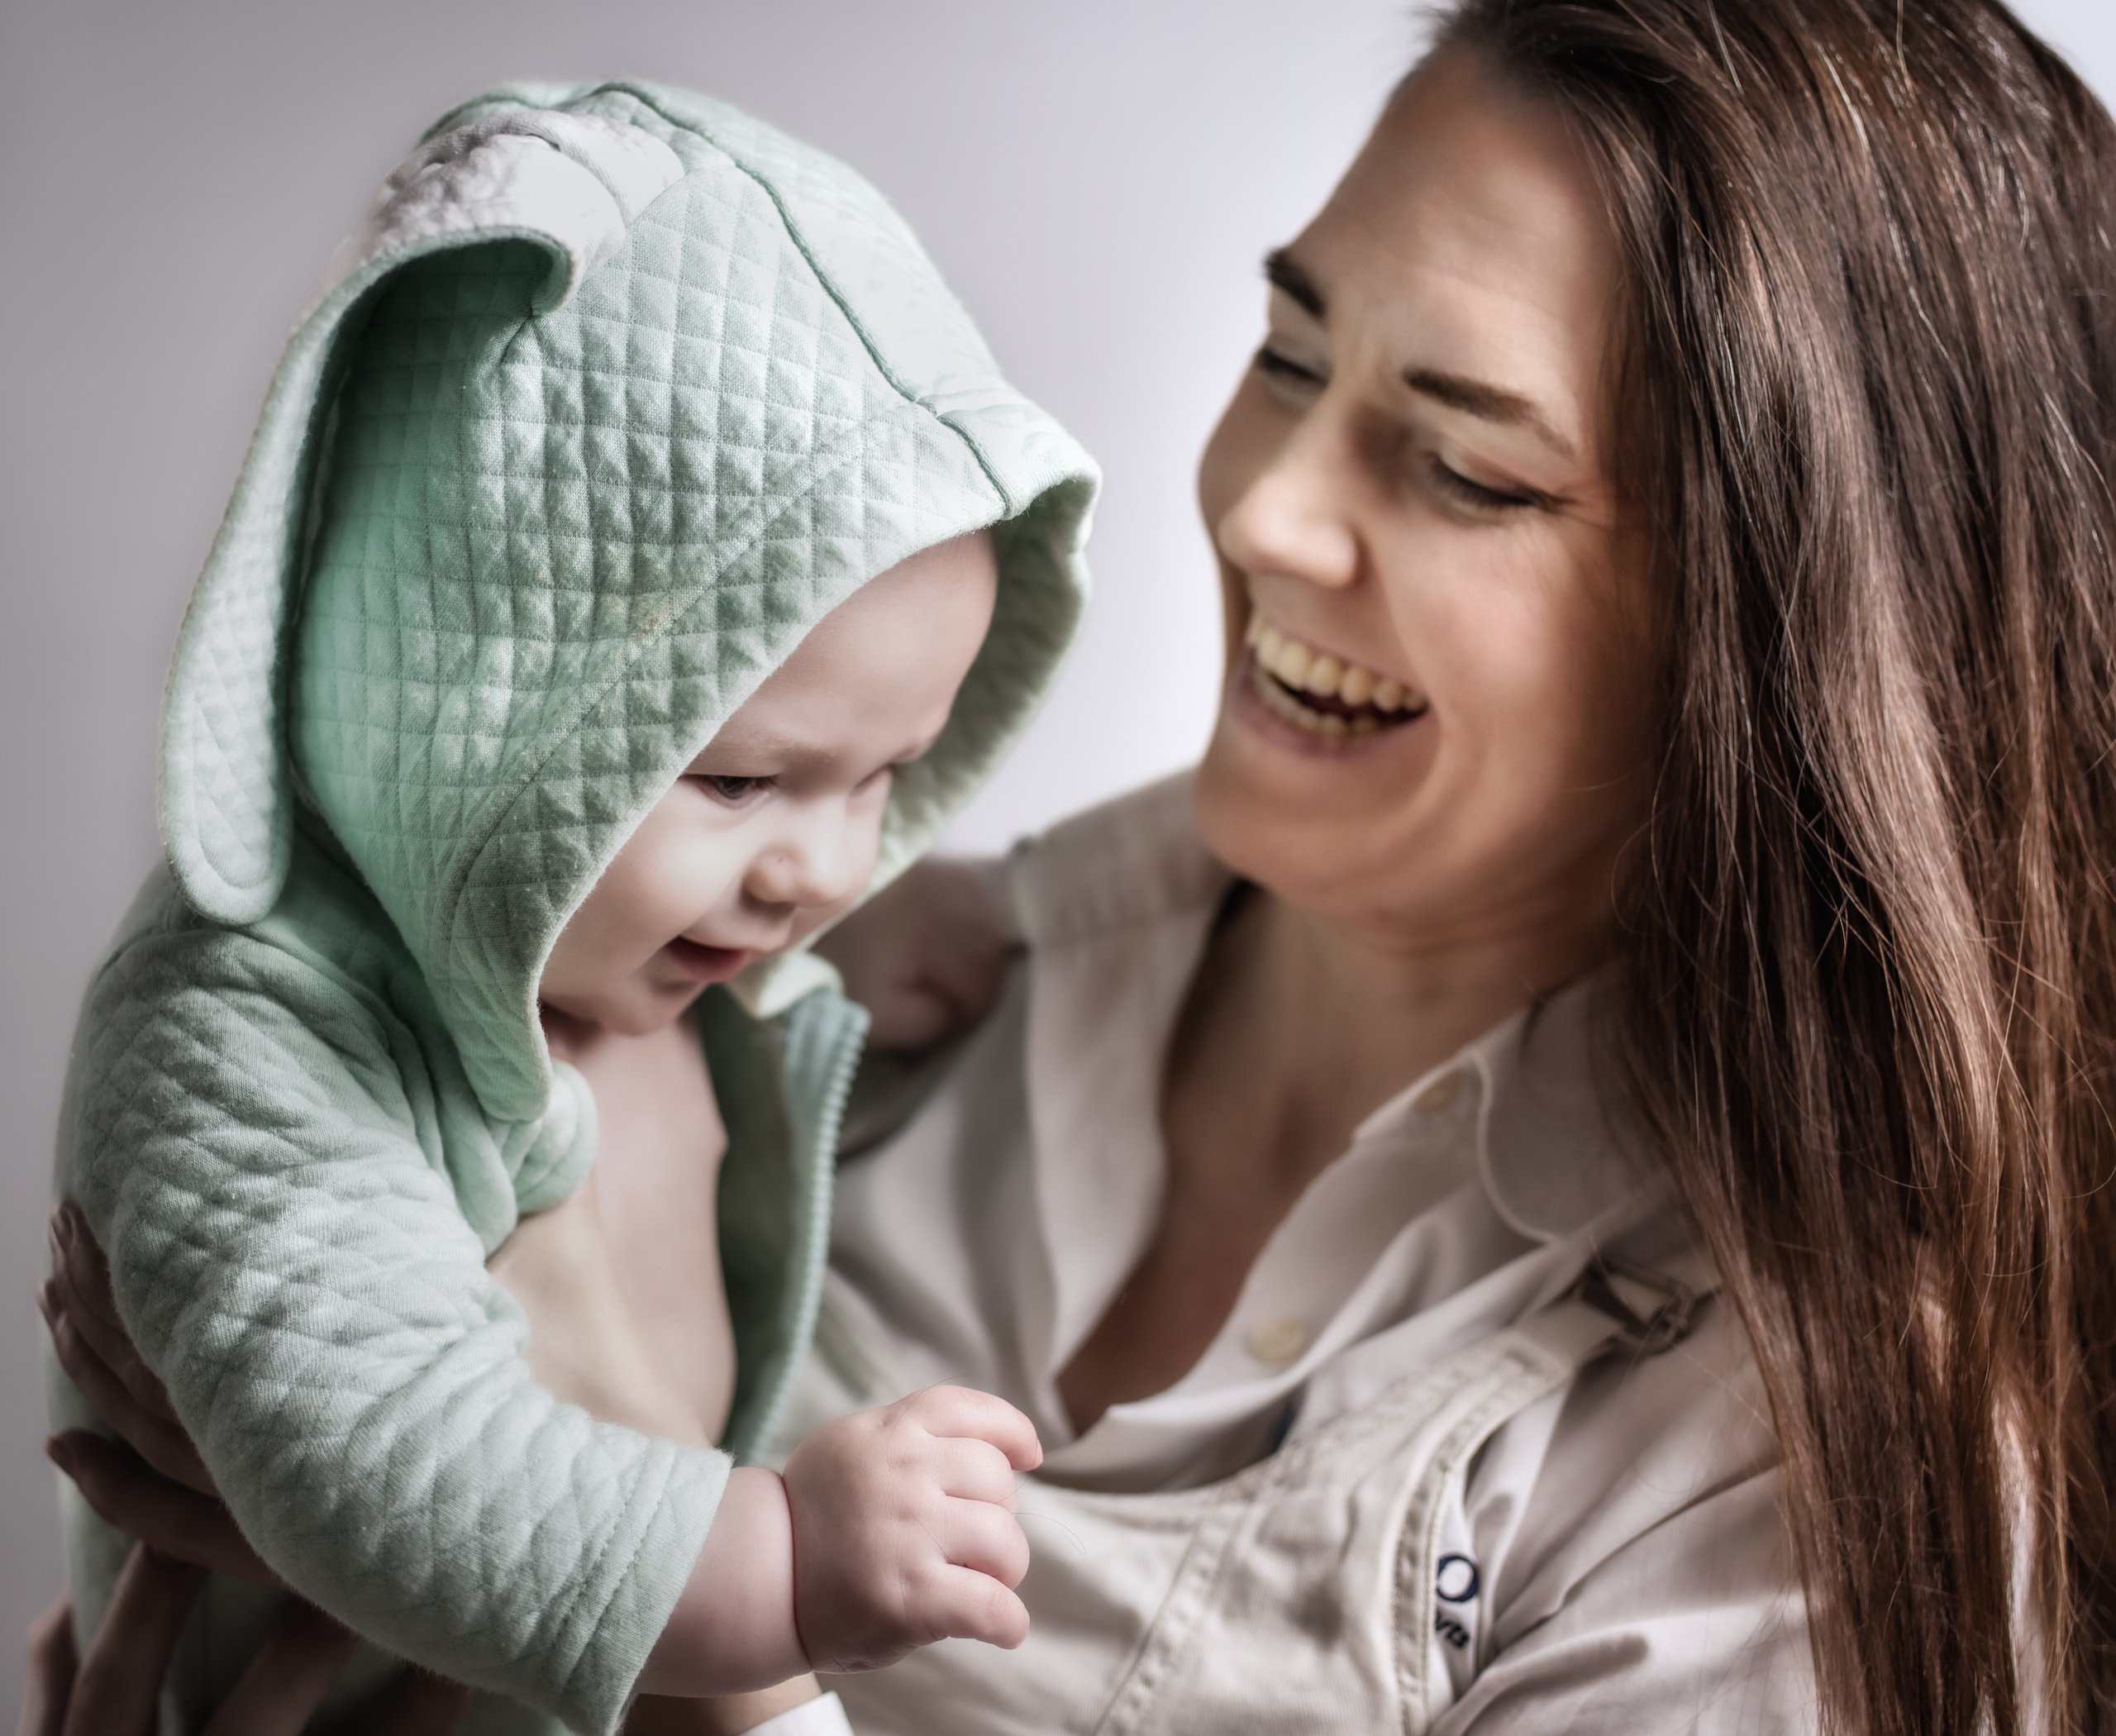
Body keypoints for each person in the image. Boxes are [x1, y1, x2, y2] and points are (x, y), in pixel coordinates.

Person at [34, 0, 2116, 1731]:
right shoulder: (862, 976)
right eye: (1291, 353)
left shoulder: (1791, 1488)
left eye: (1466, 466)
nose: (1266, 510)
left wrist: (715, 1657)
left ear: (1790, 653)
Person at [37, 79, 1096, 1736]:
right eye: (745, 782)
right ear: (475, 716)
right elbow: (387, 1445)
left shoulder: (662, 960)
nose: (817, 869)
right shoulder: (243, 1036)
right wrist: (783, 1570)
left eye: (884, 773)